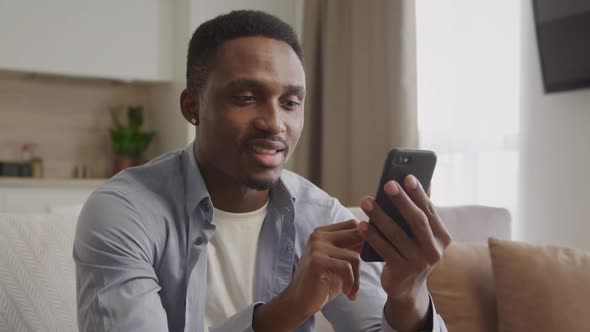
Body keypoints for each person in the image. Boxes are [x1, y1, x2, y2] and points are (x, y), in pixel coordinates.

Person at [74, 10, 451, 332]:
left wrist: (408, 294)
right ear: (192, 107)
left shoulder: (320, 215)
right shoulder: (124, 212)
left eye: (290, 102)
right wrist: (287, 310)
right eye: (246, 98)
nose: (274, 123)